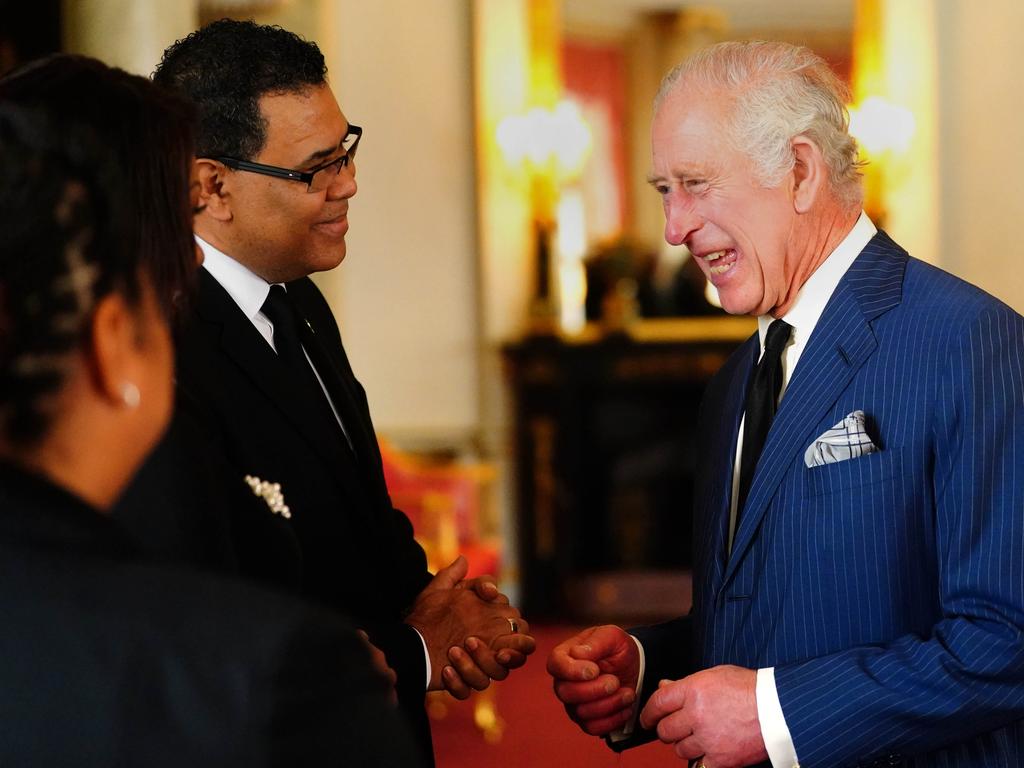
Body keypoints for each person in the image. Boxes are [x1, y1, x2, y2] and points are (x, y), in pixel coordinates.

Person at [548, 40, 1024, 768]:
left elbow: (1005, 638)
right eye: (663, 191)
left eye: (696, 184)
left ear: (801, 171)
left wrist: (774, 713)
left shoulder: (971, 341)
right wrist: (646, 668)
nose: (674, 229)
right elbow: (770, 616)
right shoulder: (734, 379)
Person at [114, 19, 534, 763]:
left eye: (346, 150)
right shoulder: (158, 348)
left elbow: (353, 505)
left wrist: (435, 600)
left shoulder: (299, 299)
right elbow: (225, 614)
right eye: (317, 168)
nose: (348, 183)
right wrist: (419, 650)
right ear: (212, 185)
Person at [0, 54, 421, 767]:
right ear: (111, 344)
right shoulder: (268, 681)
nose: (189, 263)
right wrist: (408, 653)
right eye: (165, 239)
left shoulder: (301, 305)